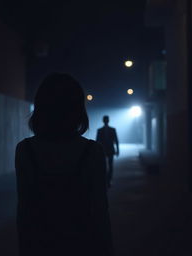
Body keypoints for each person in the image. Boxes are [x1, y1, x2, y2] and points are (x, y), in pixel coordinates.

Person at [15, 73, 113, 256]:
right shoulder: (93, 152)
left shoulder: (25, 150)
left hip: (40, 244)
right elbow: (100, 211)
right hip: (83, 244)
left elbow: (24, 212)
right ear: (77, 110)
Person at [96, 116, 119, 188]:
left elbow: (116, 140)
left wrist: (118, 150)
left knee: (109, 166)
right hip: (104, 150)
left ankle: (108, 180)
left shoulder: (108, 130)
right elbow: (97, 141)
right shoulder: (101, 130)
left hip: (108, 150)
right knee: (106, 166)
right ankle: (107, 180)